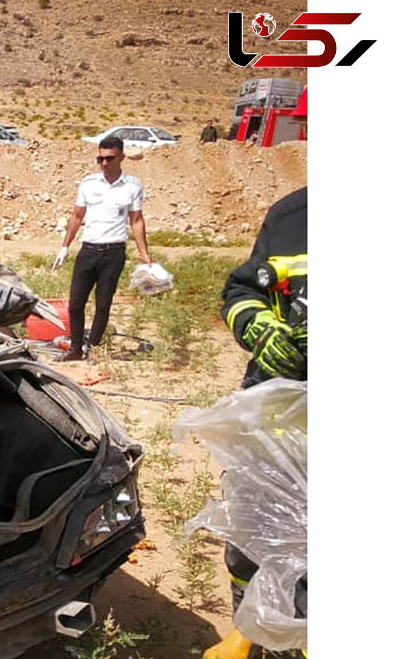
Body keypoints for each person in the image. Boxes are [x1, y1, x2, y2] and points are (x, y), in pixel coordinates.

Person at [204, 186, 307, 659]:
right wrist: (257, 325)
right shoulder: (293, 215)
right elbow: (243, 288)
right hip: (272, 416)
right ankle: (248, 627)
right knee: (251, 531)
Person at [53, 135, 152, 361]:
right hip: (88, 250)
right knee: (76, 302)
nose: (105, 163)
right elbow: (77, 216)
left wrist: (145, 254)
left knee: (103, 303)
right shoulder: (88, 183)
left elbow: (136, 220)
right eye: (100, 159)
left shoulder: (132, 186)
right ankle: (76, 348)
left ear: (121, 157)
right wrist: (65, 246)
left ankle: (93, 347)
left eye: (110, 158)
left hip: (114, 252)